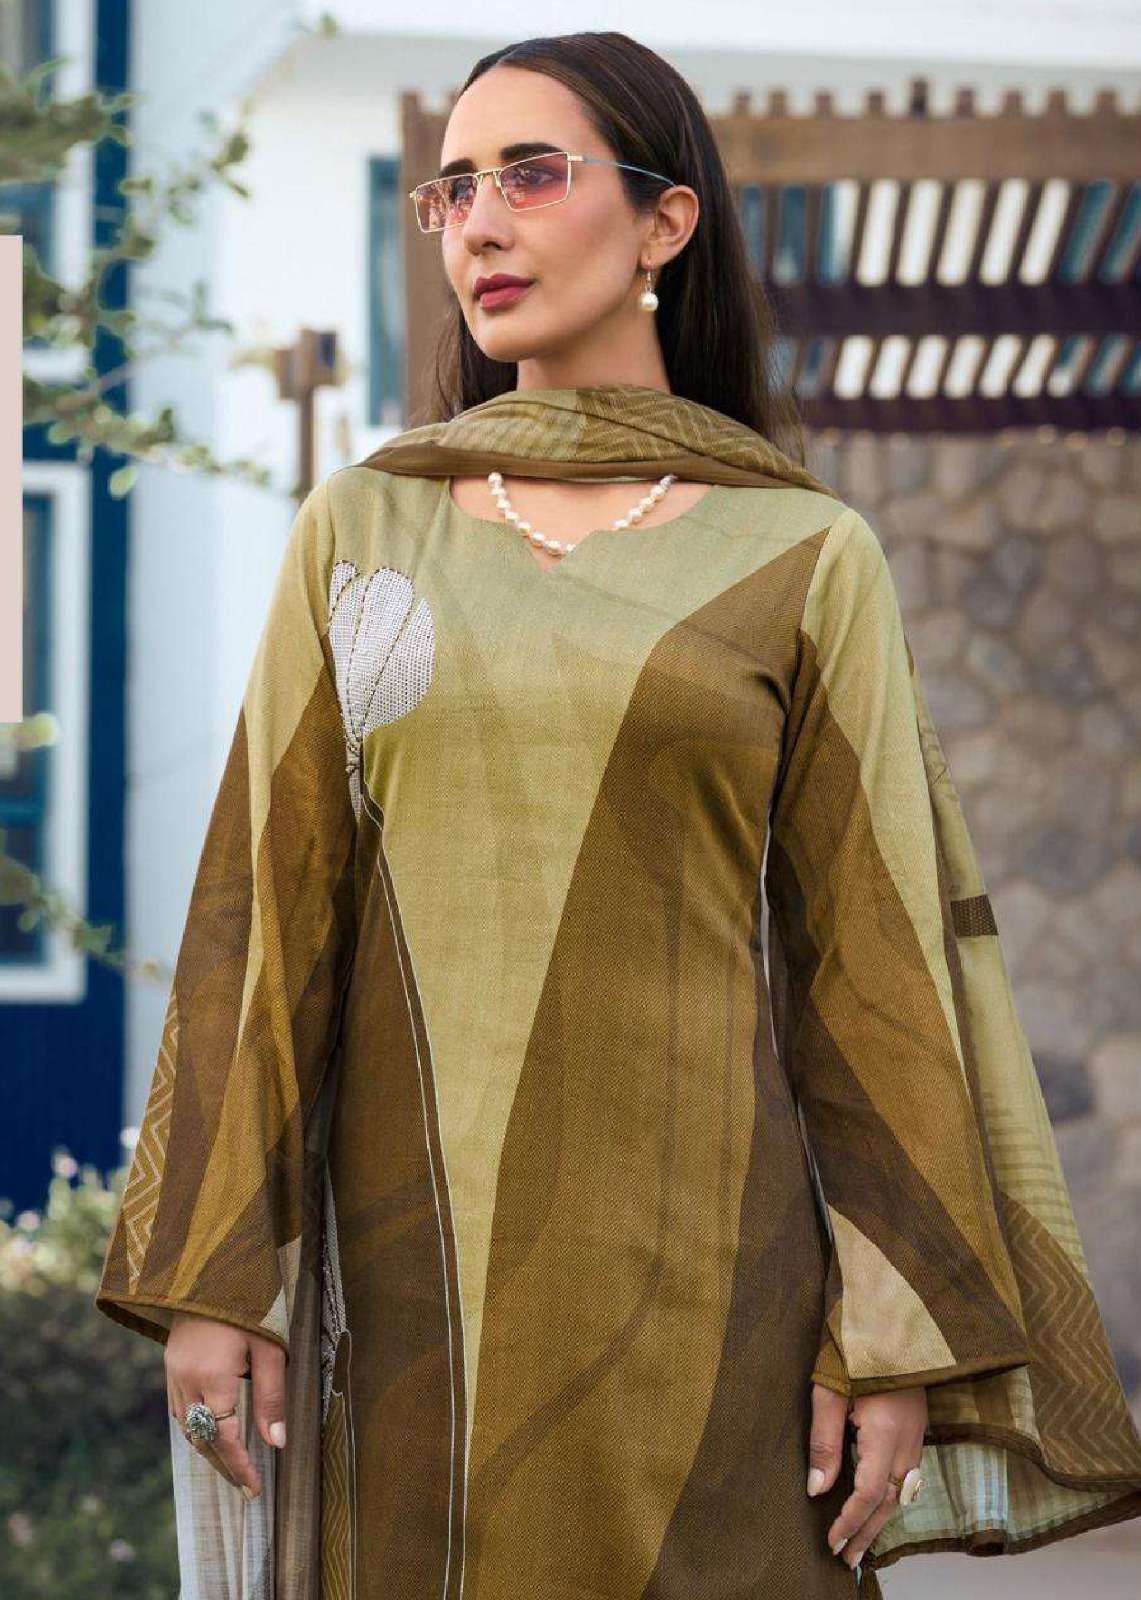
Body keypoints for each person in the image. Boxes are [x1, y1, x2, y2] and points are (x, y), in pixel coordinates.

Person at [95, 29, 1141, 1600]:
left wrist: (887, 1331)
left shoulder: (801, 555)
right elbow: (269, 915)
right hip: (418, 1304)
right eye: (452, 189)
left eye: (529, 174)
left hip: (721, 1302)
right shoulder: (364, 533)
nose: (477, 223)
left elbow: (875, 971)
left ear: (665, 222)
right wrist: (218, 1279)